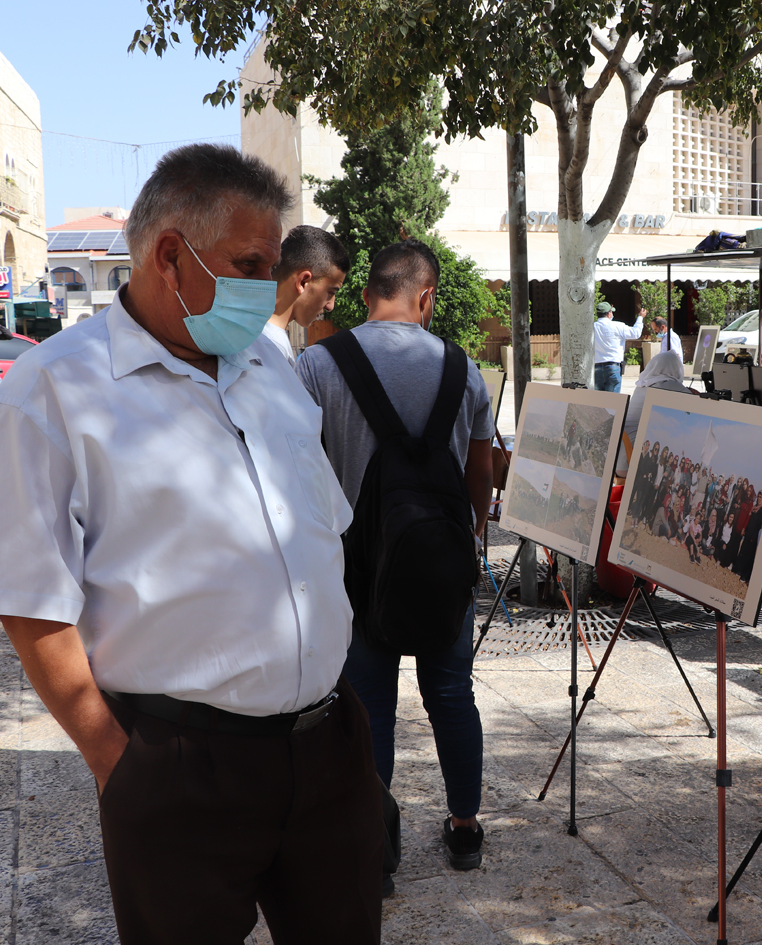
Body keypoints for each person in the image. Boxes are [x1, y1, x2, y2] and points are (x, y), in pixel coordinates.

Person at [0, 144, 384, 943]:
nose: (265, 286)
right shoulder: (52, 392)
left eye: (271, 265)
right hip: (182, 769)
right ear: (168, 256)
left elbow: (318, 529)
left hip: (328, 749)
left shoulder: (266, 366)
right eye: (248, 264)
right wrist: (118, 763)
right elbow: (30, 601)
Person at [295, 238, 494, 873]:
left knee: (369, 705)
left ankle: (375, 850)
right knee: (451, 693)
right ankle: (465, 829)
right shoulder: (466, 371)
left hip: (356, 569)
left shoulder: (317, 366)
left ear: (365, 294)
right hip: (443, 562)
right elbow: (480, 477)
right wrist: (469, 538)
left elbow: (300, 469)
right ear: (426, 297)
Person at [264, 224, 350, 361]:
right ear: (303, 282)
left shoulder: (267, 341)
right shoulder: (267, 348)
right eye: (330, 292)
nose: (330, 306)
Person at [618, 351, 693, 475]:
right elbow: (696, 404)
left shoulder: (643, 385)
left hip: (622, 457)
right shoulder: (667, 385)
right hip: (633, 462)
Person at [593, 301, 644, 392]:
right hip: (613, 366)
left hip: (596, 367)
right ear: (609, 314)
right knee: (613, 399)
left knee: (598, 399)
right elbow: (636, 333)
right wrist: (640, 317)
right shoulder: (618, 326)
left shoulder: (592, 327)